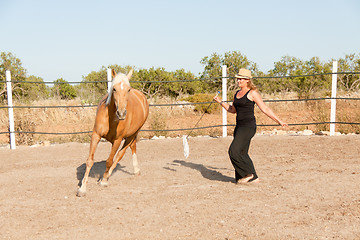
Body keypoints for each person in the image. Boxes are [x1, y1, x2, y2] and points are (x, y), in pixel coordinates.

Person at [213, 68, 287, 184]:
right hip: (239, 126)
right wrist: (220, 102)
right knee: (242, 152)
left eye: (241, 79)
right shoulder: (237, 93)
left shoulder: (252, 93)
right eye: (238, 79)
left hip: (248, 127)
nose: (238, 81)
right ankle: (251, 177)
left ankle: (249, 174)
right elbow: (232, 110)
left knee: (233, 151)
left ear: (247, 80)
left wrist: (279, 121)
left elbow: (265, 108)